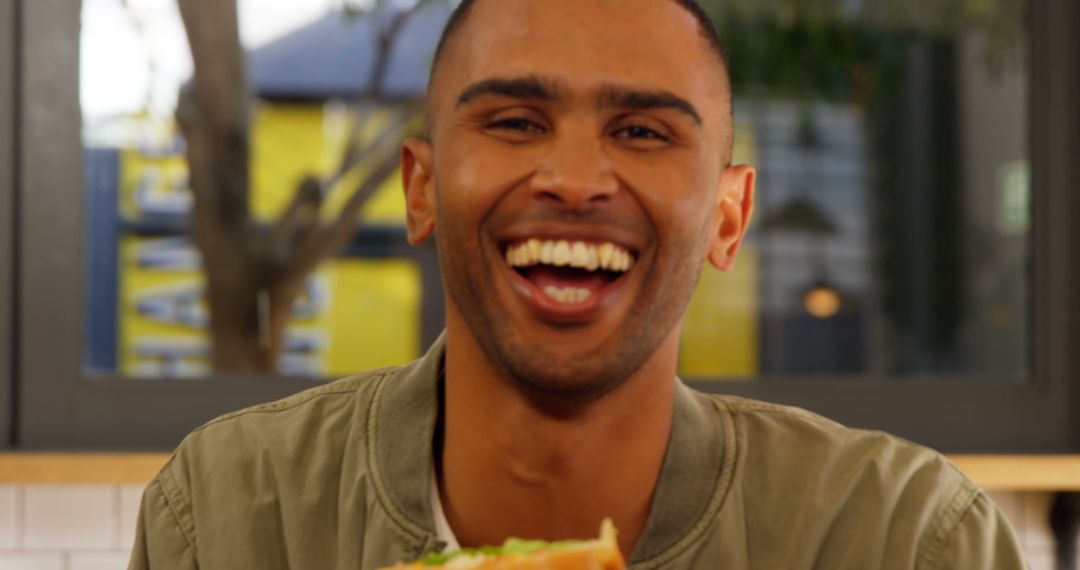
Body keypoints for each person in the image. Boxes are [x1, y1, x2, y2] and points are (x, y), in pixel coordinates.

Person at [128, 0, 1031, 568]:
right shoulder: (235, 515)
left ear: (727, 216)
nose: (574, 178)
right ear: (421, 187)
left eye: (642, 132)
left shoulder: (903, 539)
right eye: (517, 121)